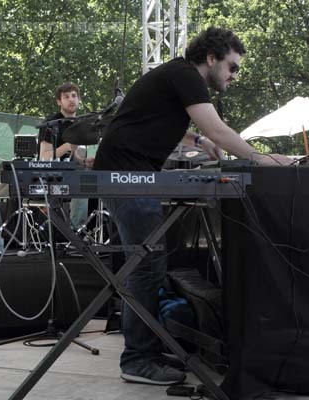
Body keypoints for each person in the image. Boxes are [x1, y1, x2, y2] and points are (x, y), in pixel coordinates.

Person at [93, 27, 289, 386]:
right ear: (211, 58)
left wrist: (195, 139)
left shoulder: (175, 76)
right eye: (232, 66)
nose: (234, 75)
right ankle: (138, 359)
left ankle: (146, 347)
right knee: (146, 266)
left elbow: (164, 118)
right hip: (126, 174)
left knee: (150, 263)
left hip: (131, 172)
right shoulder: (187, 75)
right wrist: (262, 159)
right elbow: (219, 130)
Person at [38, 82, 93, 228]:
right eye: (66, 97)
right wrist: (66, 146)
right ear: (59, 101)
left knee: (99, 180)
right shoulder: (51, 124)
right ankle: (77, 231)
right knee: (82, 184)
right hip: (52, 176)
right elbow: (44, 157)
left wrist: (84, 162)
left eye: (74, 96)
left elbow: (71, 158)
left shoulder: (79, 123)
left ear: (79, 99)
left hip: (71, 172)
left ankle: (98, 230)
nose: (71, 100)